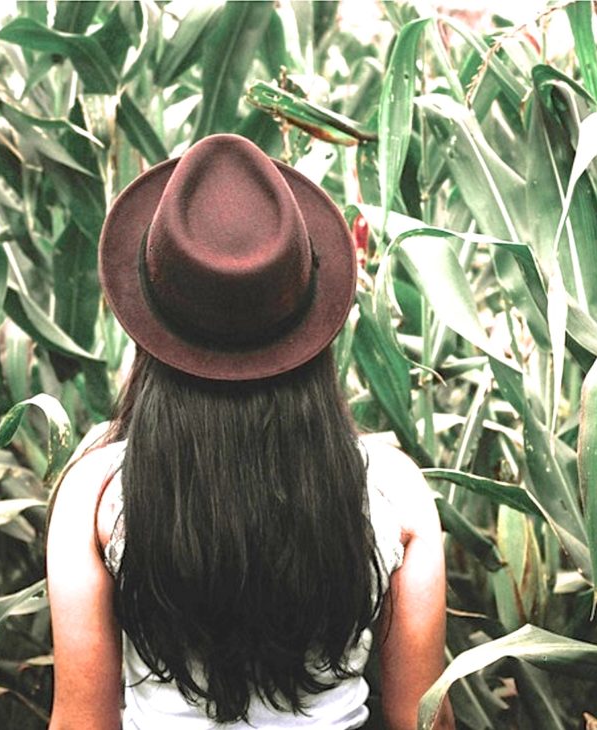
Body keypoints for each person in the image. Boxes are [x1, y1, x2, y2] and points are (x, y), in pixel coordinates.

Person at [45, 134, 453, 730]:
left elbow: (82, 724)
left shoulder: (98, 496)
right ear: (311, 328)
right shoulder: (395, 491)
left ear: (152, 329)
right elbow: (424, 722)